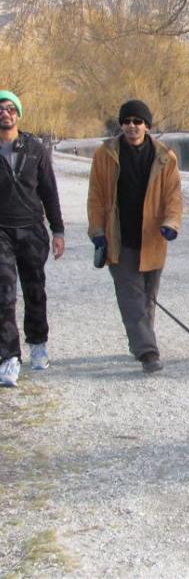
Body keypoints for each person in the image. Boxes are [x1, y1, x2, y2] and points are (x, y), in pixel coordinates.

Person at [87, 99, 182, 374]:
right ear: (121, 125)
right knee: (130, 294)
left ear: (147, 126)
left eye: (137, 121)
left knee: (148, 297)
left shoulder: (165, 157)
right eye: (126, 121)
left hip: (152, 238)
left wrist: (171, 223)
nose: (131, 126)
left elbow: (173, 196)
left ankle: (142, 340)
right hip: (119, 237)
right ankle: (147, 352)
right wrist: (97, 232)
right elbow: (95, 197)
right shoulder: (104, 155)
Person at [0, 90, 65, 387]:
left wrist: (58, 230)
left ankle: (38, 344)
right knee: (4, 295)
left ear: (19, 114)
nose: (5, 113)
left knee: (34, 289)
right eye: (0, 109)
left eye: (10, 108)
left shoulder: (35, 149)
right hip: (1, 230)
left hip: (32, 229)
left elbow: (49, 192)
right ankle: (9, 357)